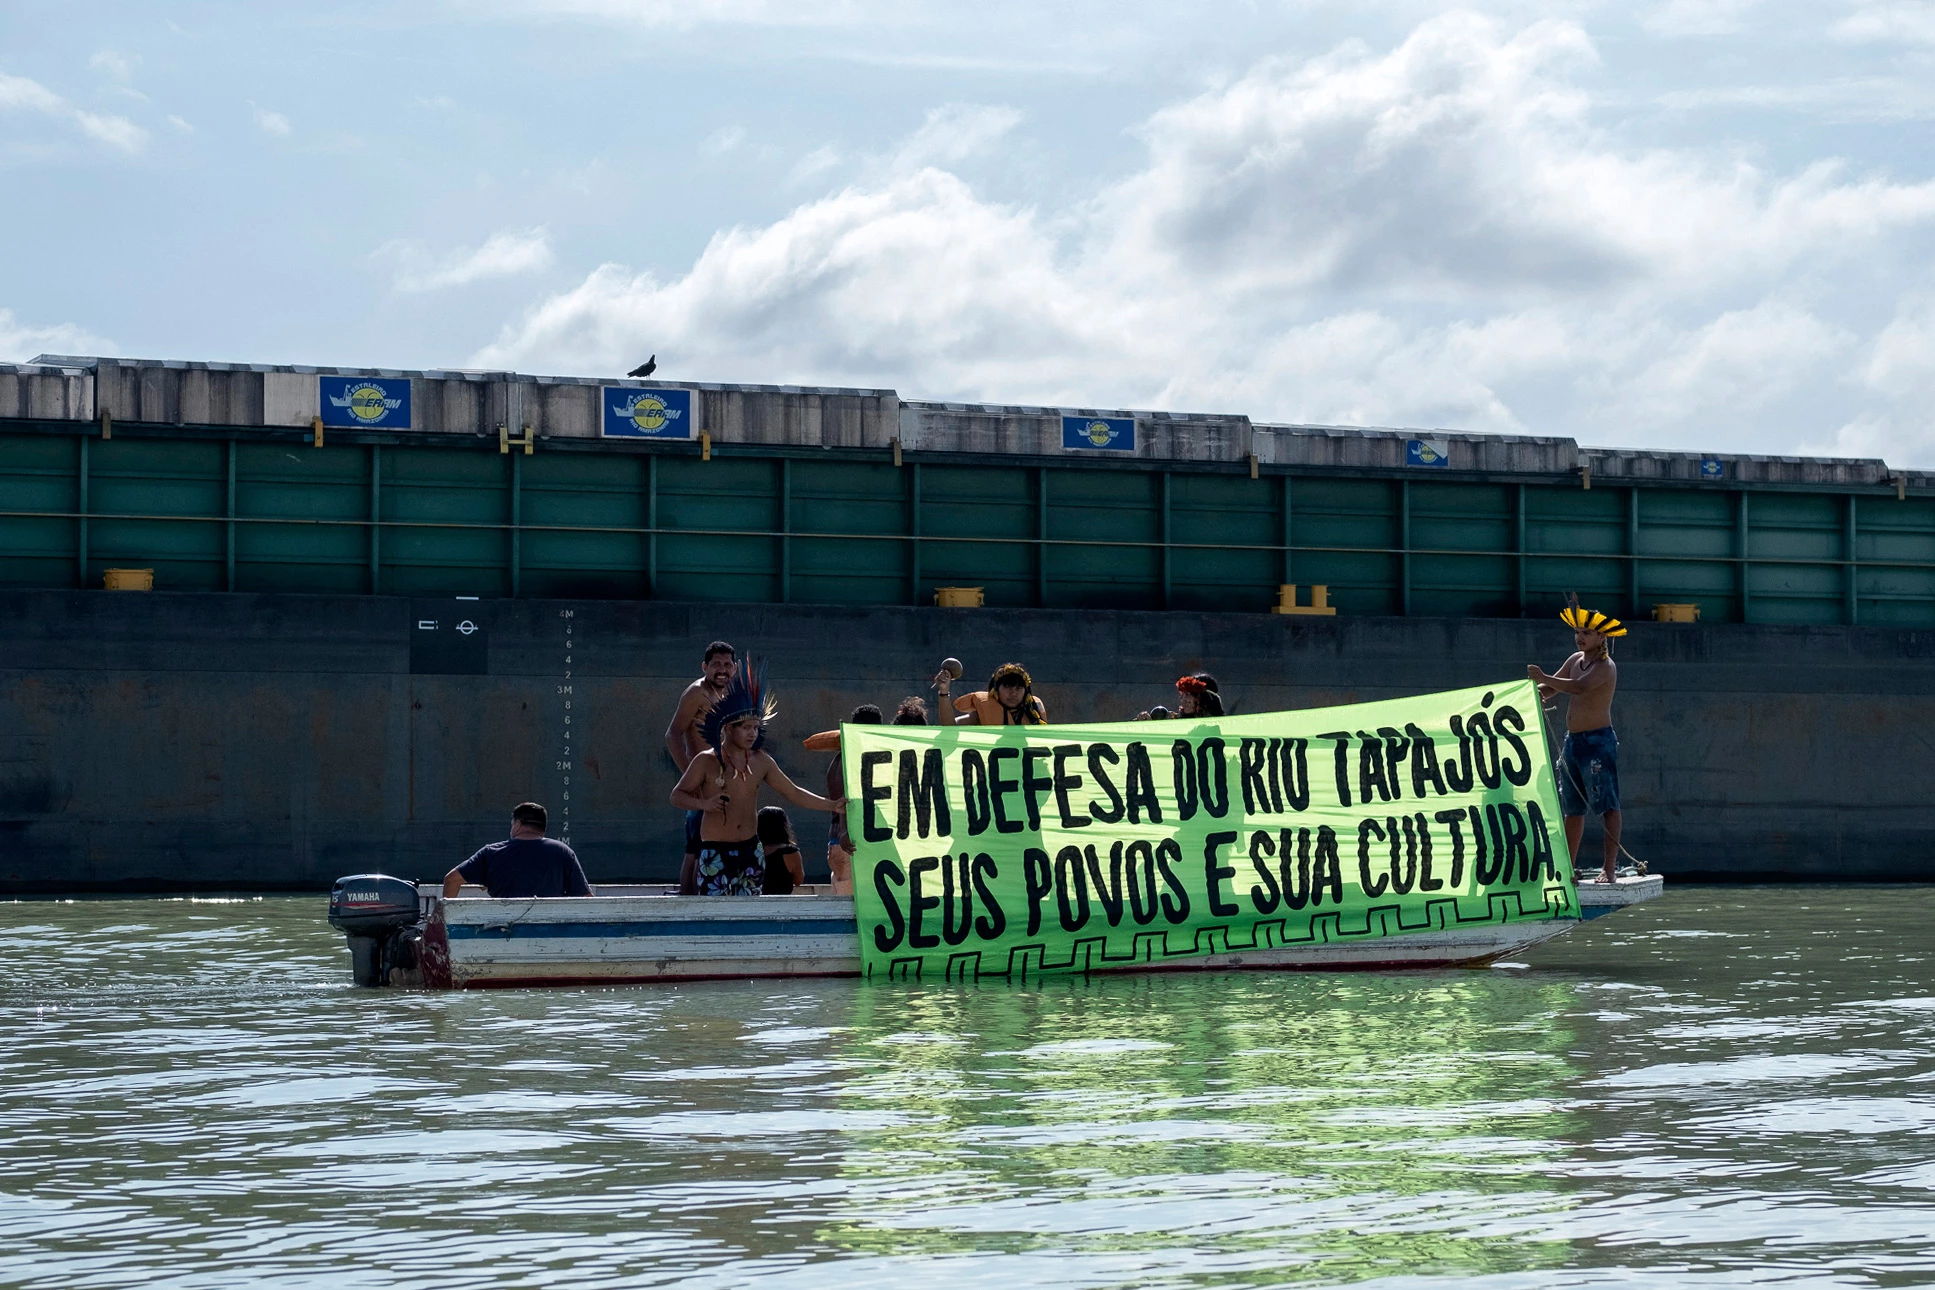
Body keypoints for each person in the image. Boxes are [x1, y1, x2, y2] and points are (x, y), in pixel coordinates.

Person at [670, 660, 844, 895]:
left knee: (750, 913)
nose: (753, 733)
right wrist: (705, 804)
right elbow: (677, 796)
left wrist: (831, 805)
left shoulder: (761, 760)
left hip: (751, 850)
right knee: (715, 916)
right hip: (715, 851)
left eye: (756, 727)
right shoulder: (706, 761)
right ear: (729, 728)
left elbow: (792, 791)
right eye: (746, 727)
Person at [1528, 605, 1625, 884]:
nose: (1580, 637)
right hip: (1573, 743)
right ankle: (1569, 868)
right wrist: (1533, 692)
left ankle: (1609, 868)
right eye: (1577, 632)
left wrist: (1544, 677)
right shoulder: (1575, 659)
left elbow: (1580, 687)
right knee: (1573, 808)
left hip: (1598, 742)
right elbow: (1553, 689)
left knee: (1607, 805)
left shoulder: (1605, 666)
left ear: (1601, 637)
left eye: (1587, 632)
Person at [664, 641, 737, 887]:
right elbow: (672, 734)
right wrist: (690, 777)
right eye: (716, 664)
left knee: (717, 843)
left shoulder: (731, 694)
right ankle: (687, 902)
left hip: (725, 783)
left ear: (735, 668)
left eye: (727, 664)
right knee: (695, 846)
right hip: (701, 782)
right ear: (705, 666)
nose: (722, 669)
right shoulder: (697, 692)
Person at [442, 802, 591, 899]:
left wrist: (445, 922)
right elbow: (585, 897)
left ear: (518, 824)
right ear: (543, 828)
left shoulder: (491, 852)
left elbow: (451, 880)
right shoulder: (563, 852)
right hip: (551, 934)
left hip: (503, 931)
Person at [821, 703, 882, 895]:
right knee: (850, 908)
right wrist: (846, 829)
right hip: (847, 842)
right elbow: (843, 798)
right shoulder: (849, 757)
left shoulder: (847, 756)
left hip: (845, 843)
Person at [935, 661, 1047, 725]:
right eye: (1008, 687)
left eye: (1019, 688)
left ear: (1026, 692)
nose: (1013, 693)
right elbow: (950, 727)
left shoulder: (1034, 712)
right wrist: (944, 692)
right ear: (996, 690)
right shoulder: (983, 711)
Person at [758, 806, 805, 895]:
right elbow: (798, 880)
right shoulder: (790, 852)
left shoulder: (752, 850)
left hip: (754, 903)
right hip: (782, 904)